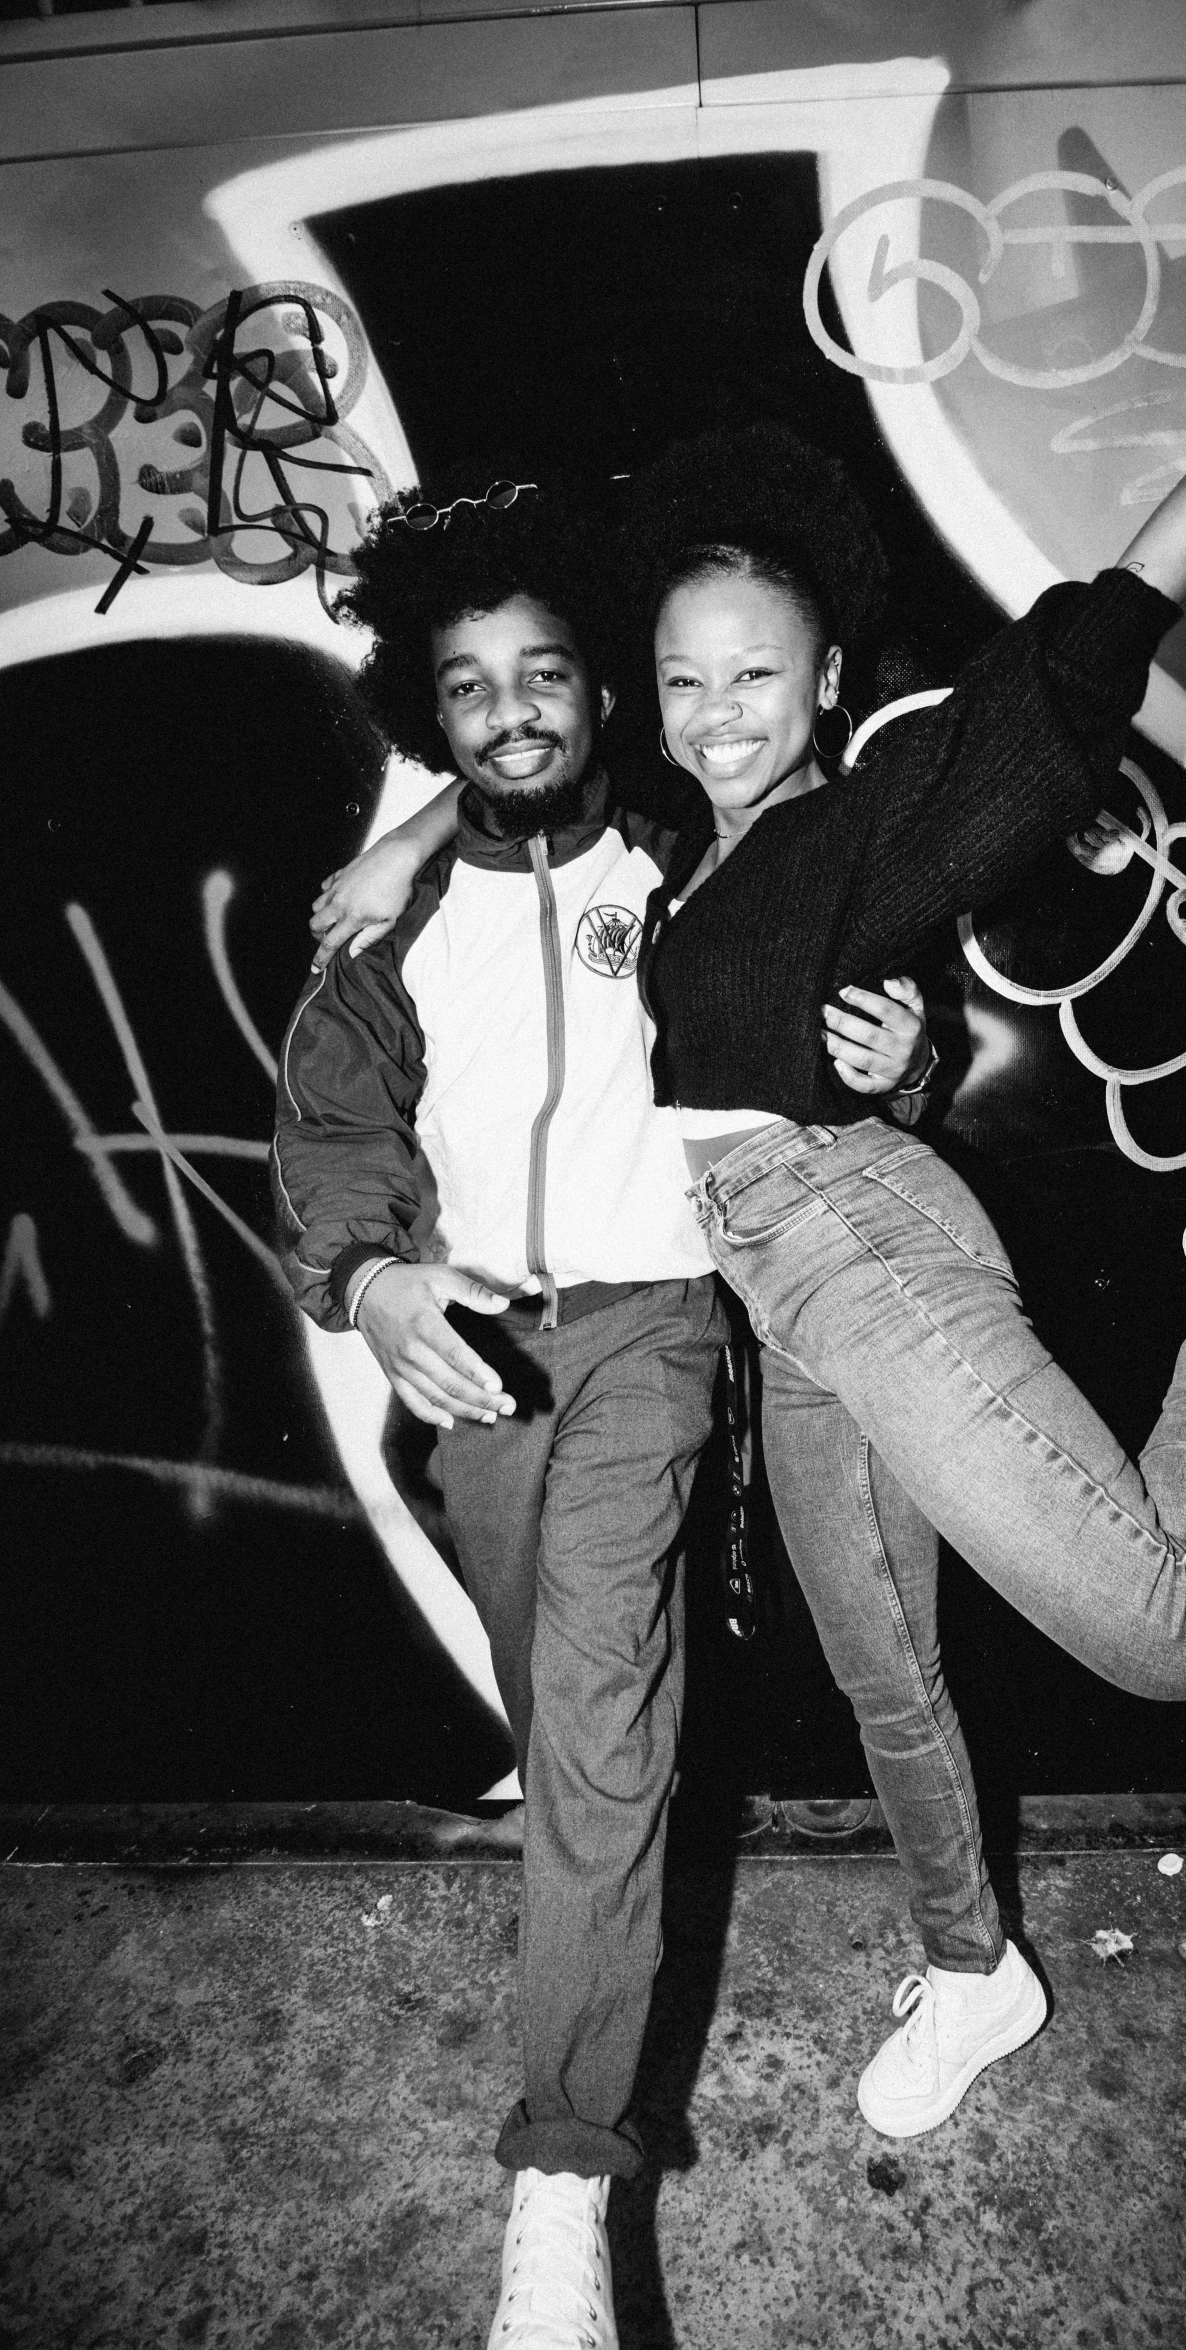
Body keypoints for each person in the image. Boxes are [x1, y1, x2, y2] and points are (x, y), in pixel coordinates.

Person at [311, 22, 1186, 2151]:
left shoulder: (867, 826)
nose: (708, 717)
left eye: (752, 680)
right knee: (888, 1670)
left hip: (846, 1240)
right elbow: (505, 744)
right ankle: (978, 1963)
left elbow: (1117, 609)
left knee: (1166, 1633)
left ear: (832, 686)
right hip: (770, 1287)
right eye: (678, 681)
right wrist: (416, 823)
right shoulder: (640, 851)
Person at [271, 490, 931, 2350]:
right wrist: (378, 1281)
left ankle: (561, 2183)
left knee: (598, 1699)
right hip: (477, 1343)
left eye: (544, 675)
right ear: (429, 709)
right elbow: (329, 1129)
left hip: (650, 1326)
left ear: (601, 693)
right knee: (558, 1697)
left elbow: (839, 935)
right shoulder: (383, 930)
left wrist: (907, 1053)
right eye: (466, 689)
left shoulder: (686, 849)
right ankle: (588, 1889)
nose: (509, 714)